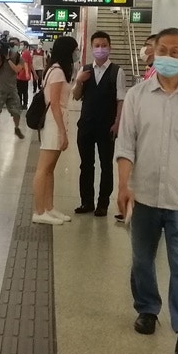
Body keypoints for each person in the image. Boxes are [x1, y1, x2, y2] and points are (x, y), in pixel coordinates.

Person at [115, 27, 178, 354]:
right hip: (143, 195)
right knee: (142, 260)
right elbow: (126, 144)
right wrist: (123, 185)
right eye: (162, 50)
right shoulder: (137, 96)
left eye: (175, 51)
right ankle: (147, 309)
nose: (168, 56)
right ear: (153, 52)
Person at [72, 31, 125, 217]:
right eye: (97, 46)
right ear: (92, 47)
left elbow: (120, 100)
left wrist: (117, 123)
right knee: (86, 164)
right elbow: (77, 96)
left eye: (104, 45)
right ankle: (86, 201)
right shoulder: (85, 69)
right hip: (86, 125)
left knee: (106, 164)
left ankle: (103, 203)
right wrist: (79, 82)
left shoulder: (117, 72)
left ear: (109, 47)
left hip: (106, 126)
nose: (100, 49)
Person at [31, 36, 79, 226]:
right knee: (43, 168)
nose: (76, 53)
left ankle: (49, 207)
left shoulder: (55, 69)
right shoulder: (58, 72)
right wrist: (62, 132)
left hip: (57, 121)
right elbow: (55, 105)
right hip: (54, 122)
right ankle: (39, 210)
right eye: (75, 49)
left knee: (50, 169)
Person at [0, 37, 25, 141]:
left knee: (16, 111)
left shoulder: (19, 58)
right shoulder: (2, 56)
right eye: (12, 44)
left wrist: (8, 59)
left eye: (16, 45)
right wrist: (0, 54)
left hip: (12, 89)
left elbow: (17, 70)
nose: (14, 46)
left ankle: (17, 128)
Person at [16, 43, 32, 108]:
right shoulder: (26, 53)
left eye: (22, 45)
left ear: (25, 46)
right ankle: (24, 104)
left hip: (22, 75)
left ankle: (21, 104)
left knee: (20, 91)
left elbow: (25, 64)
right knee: (24, 90)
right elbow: (30, 64)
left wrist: (27, 73)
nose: (20, 46)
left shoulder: (25, 53)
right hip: (24, 75)